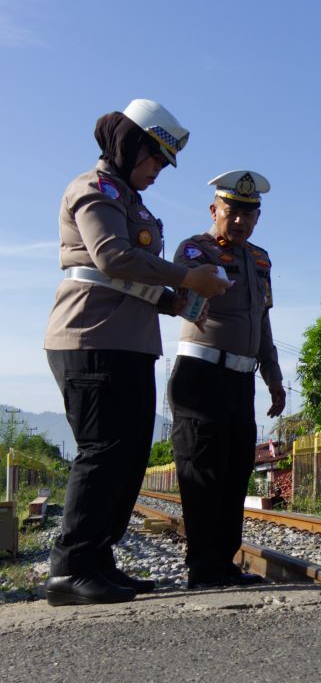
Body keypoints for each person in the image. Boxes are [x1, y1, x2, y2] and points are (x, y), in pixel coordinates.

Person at [43, 100, 230, 606]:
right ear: (132, 147)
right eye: (154, 161)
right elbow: (112, 256)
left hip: (128, 342)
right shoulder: (95, 188)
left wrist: (179, 302)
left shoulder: (128, 198)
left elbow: (134, 275)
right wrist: (185, 277)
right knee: (103, 452)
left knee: (126, 457)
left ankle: (98, 560)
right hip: (92, 337)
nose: (156, 173)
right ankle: (70, 568)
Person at [168, 170, 285, 589]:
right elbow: (183, 297)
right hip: (201, 374)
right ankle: (202, 567)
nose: (239, 222)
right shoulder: (196, 251)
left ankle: (223, 562)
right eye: (232, 212)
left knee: (235, 472)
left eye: (249, 215)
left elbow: (262, 322)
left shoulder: (260, 260)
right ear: (214, 209)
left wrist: (274, 377)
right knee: (202, 473)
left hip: (241, 379)